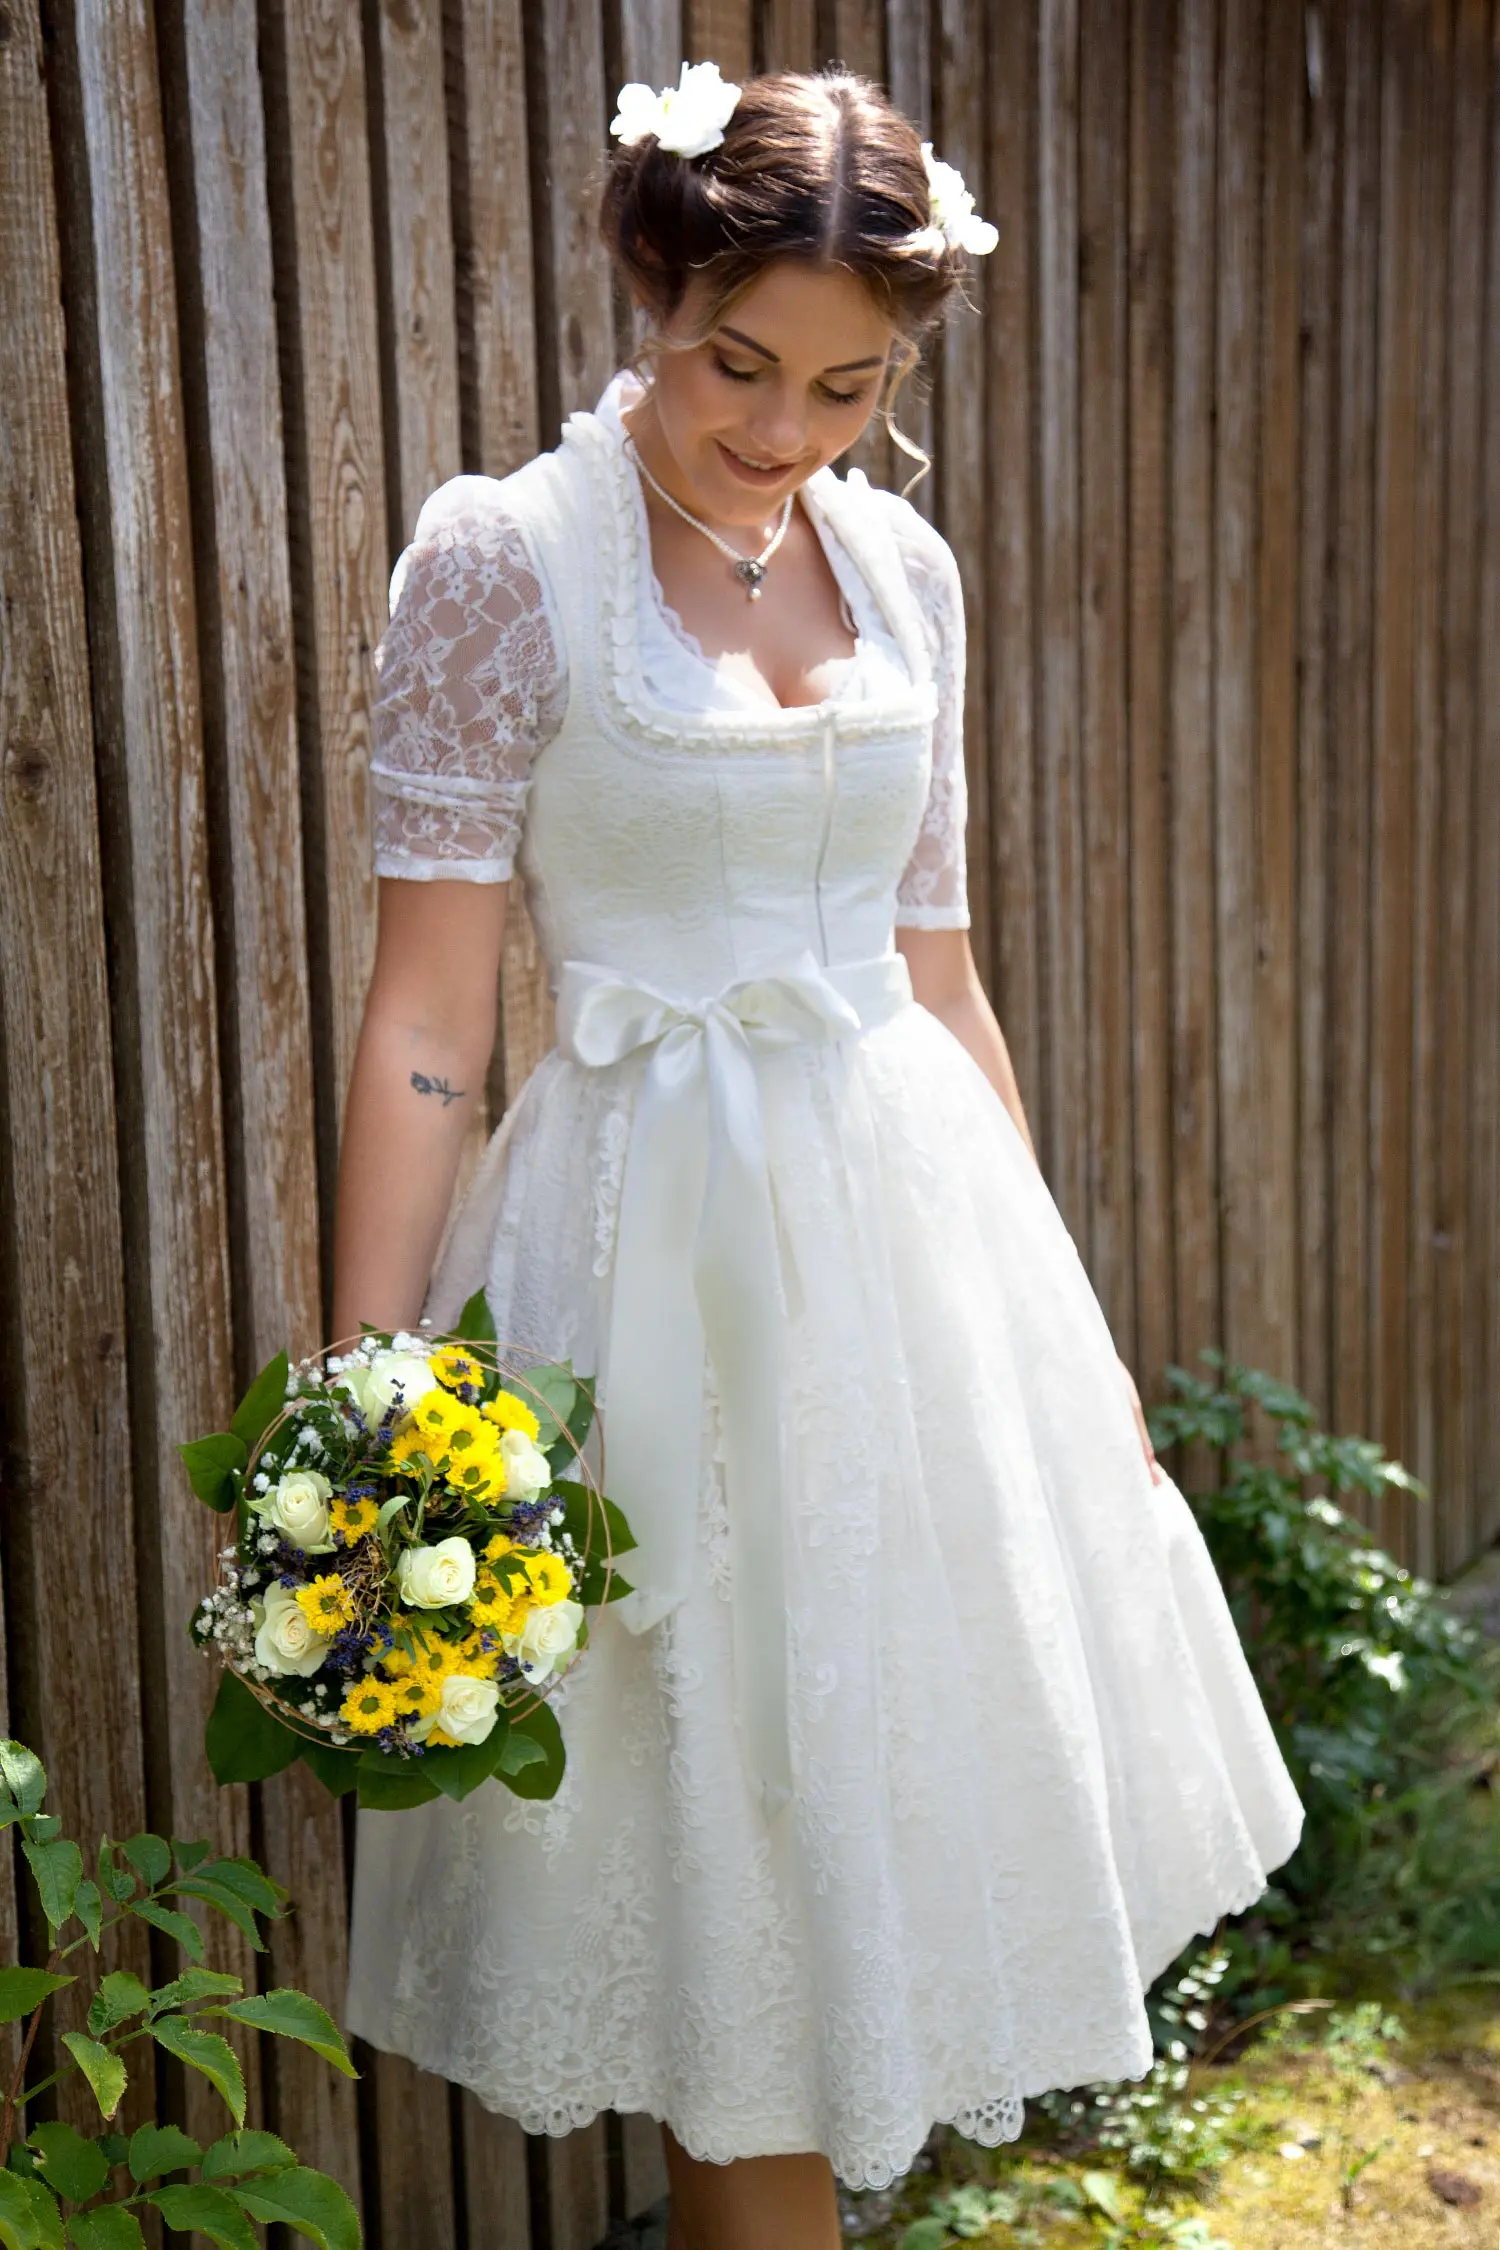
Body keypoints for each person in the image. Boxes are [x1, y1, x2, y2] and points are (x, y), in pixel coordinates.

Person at [336, 60, 1303, 2250]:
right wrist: (374, 1375)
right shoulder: (508, 561)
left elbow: (941, 980)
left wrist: (1072, 1346)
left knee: (872, 1828)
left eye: (848, 387)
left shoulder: (905, 573)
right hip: (639, 1264)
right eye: (736, 366)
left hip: (903, 1264)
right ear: (648, 284)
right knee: (713, 1865)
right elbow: (425, 1011)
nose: (779, 430)